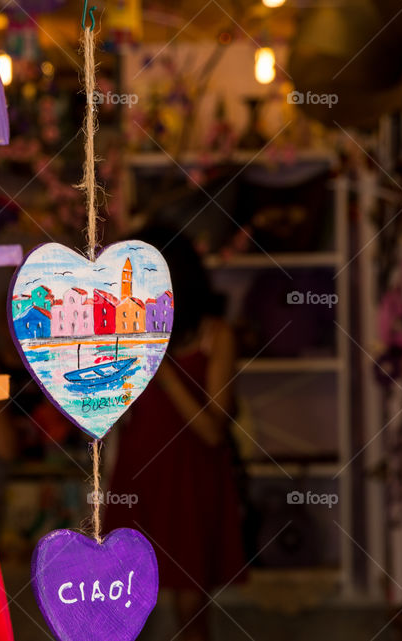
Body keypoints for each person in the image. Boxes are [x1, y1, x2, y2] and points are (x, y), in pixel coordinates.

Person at [106, 227, 246, 641]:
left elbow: (211, 432)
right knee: (125, 608)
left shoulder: (215, 336)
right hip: (140, 472)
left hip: (192, 475)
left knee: (191, 613)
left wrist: (159, 366)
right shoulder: (130, 332)